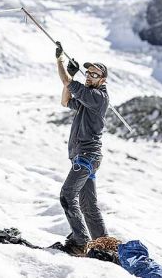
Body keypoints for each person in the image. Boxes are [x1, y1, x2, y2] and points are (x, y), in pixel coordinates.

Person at [52, 42, 110, 255]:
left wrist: (61, 63)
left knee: (67, 195)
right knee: (88, 206)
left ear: (102, 80)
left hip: (86, 157)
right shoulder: (88, 99)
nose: (89, 76)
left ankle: (81, 241)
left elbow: (68, 82)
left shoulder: (97, 97)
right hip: (86, 158)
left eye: (94, 74)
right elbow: (65, 101)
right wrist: (71, 80)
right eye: (88, 73)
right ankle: (104, 247)